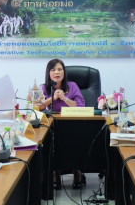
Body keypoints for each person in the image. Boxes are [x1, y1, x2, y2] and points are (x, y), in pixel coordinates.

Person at [40, 59, 85, 190]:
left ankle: (76, 170)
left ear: (64, 72)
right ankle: (56, 172)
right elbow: (38, 108)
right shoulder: (43, 88)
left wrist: (65, 99)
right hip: (52, 125)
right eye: (53, 70)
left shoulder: (72, 86)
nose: (57, 72)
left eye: (59, 69)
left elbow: (81, 106)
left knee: (73, 136)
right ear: (49, 73)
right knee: (51, 139)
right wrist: (52, 98)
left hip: (72, 123)